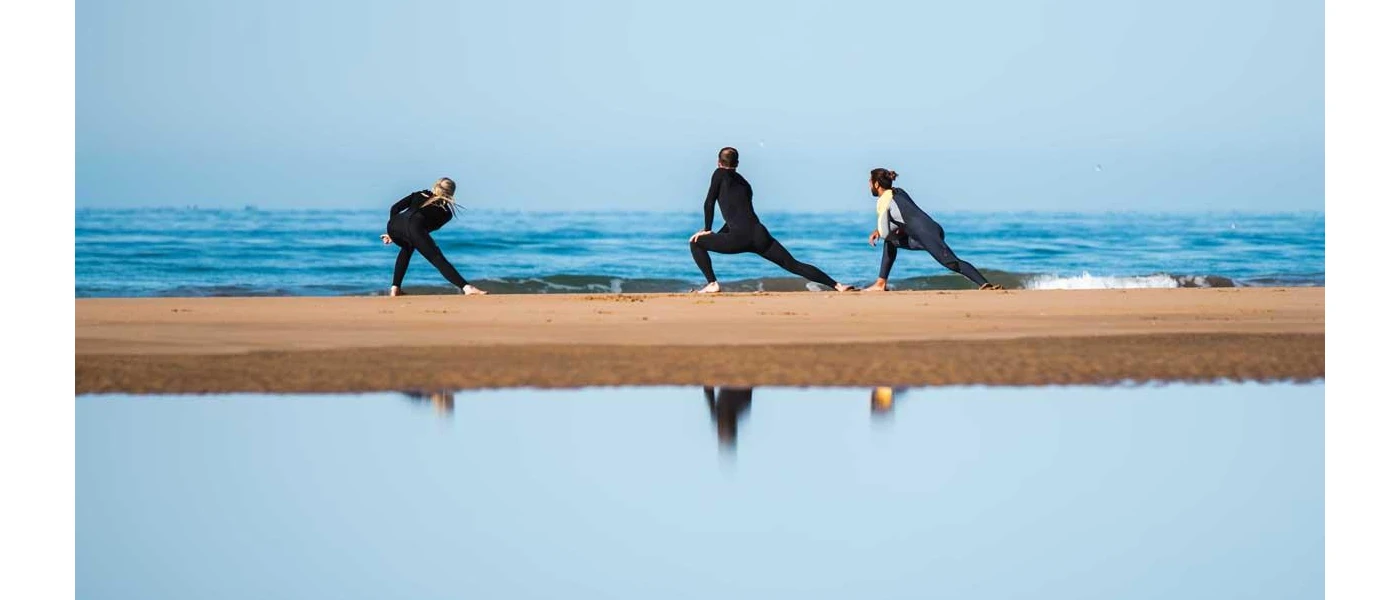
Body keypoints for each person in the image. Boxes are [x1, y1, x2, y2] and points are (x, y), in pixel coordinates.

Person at [689, 147, 855, 293]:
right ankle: (837, 285)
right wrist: (720, 236)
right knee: (793, 264)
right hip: (759, 234)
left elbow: (709, 201)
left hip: (738, 237)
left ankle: (712, 283)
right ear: (737, 163)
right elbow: (739, 214)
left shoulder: (719, 173)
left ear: (718, 162)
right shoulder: (745, 184)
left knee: (695, 243)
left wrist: (707, 230)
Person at [863, 168, 1003, 292]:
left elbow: (886, 232)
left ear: (876, 184)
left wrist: (882, 232)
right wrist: (883, 230)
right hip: (928, 229)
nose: (869, 185)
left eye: (870, 182)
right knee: (891, 242)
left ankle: (986, 285)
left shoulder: (883, 201)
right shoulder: (898, 192)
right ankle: (881, 283)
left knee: (952, 262)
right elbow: (904, 216)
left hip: (926, 234)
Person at [380, 177, 488, 296]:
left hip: (394, 224)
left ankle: (395, 288)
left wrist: (391, 233)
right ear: (451, 193)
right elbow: (424, 230)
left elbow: (394, 208)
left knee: (408, 246)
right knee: (436, 258)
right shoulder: (446, 212)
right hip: (414, 228)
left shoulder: (419, 194)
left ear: (434, 186)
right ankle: (467, 288)